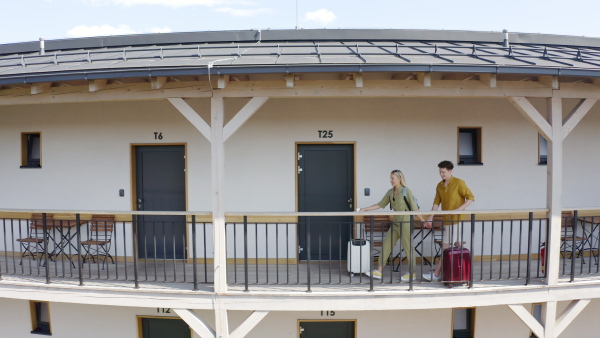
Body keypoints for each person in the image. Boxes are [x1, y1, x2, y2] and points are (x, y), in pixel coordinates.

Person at [359, 170, 425, 281]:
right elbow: (380, 204)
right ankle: (379, 271)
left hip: (406, 221)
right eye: (390, 178)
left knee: (408, 248)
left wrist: (423, 220)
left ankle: (412, 273)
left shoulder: (406, 191)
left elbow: (414, 208)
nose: (391, 180)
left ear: (399, 179)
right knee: (387, 244)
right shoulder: (390, 192)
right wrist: (365, 209)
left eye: (392, 178)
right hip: (395, 222)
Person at [422, 160, 475, 282]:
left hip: (456, 220)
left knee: (446, 248)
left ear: (450, 171)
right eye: (440, 172)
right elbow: (436, 202)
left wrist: (459, 209)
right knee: (457, 246)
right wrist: (430, 217)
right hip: (447, 221)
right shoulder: (440, 185)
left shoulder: (459, 183)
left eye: (443, 172)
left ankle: (436, 274)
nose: (441, 174)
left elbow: (471, 198)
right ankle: (461, 271)